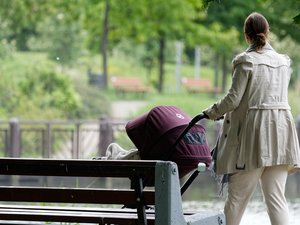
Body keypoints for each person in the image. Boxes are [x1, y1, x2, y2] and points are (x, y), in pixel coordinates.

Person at [203, 12, 300, 225]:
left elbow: (233, 99)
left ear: (246, 36)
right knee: (277, 200)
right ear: (267, 33)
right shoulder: (284, 62)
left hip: (254, 138)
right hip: (281, 134)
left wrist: (211, 111)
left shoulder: (245, 61)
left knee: (236, 199)